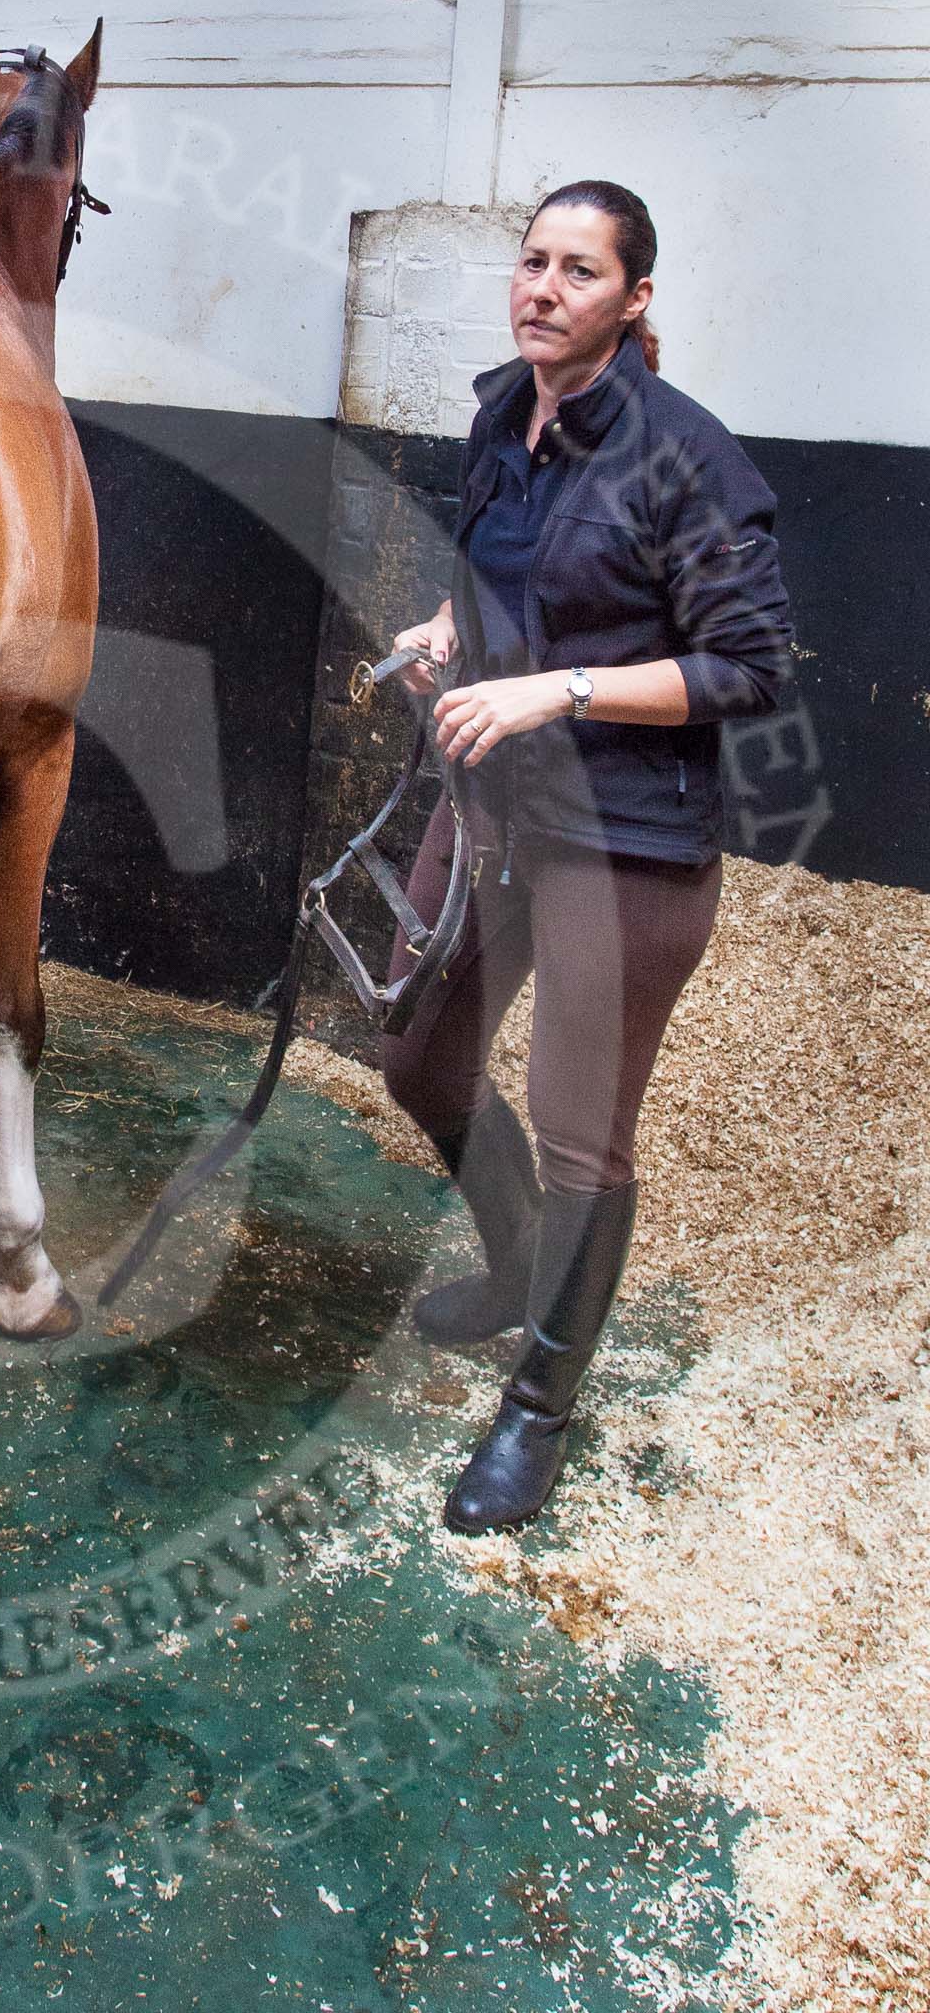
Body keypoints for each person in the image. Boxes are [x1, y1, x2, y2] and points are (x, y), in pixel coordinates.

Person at [383, 180, 794, 1533]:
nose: (543, 289)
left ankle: (539, 1410)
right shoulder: (508, 407)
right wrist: (456, 631)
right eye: (532, 262)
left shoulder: (691, 462)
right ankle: (513, 1271)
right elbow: (500, 566)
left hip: (623, 840)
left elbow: (748, 668)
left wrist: (552, 689)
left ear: (635, 299)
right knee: (418, 1059)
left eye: (579, 271)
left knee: (580, 1139)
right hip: (491, 803)